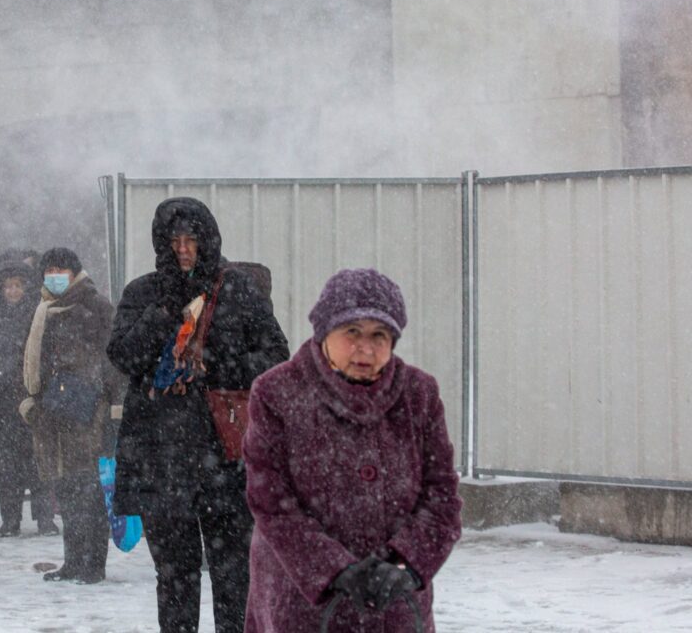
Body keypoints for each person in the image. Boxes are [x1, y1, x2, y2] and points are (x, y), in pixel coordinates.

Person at [242, 268, 463, 632]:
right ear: (323, 332)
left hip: (394, 607)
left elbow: (441, 498)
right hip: (303, 604)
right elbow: (271, 502)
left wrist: (406, 564)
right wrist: (334, 569)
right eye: (352, 332)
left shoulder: (418, 395)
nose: (366, 348)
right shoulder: (277, 393)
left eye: (380, 335)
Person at [107, 198, 289, 632]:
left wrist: (217, 365)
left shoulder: (237, 289)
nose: (183, 250)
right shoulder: (143, 292)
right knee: (174, 577)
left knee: (234, 577)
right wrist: (163, 312)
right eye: (174, 242)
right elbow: (123, 356)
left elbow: (276, 356)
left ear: (208, 241)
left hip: (225, 460)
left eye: (191, 240)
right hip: (160, 458)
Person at [19, 247, 115, 583]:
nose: (55, 276)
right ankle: (73, 561)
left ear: (75, 273)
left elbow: (111, 360)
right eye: (49, 270)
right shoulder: (43, 309)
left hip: (87, 414)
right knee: (66, 491)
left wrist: (109, 405)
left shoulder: (95, 306)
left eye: (61, 270)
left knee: (89, 491)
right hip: (52, 413)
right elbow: (33, 359)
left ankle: (94, 565)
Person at [0, 260, 57, 538]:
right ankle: (10, 520)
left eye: (18, 286)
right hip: (0, 406)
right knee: (7, 469)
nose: (13, 291)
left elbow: (49, 354)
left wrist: (42, 389)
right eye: (8, 286)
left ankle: (45, 519)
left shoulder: (38, 316)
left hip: (33, 403)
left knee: (39, 464)